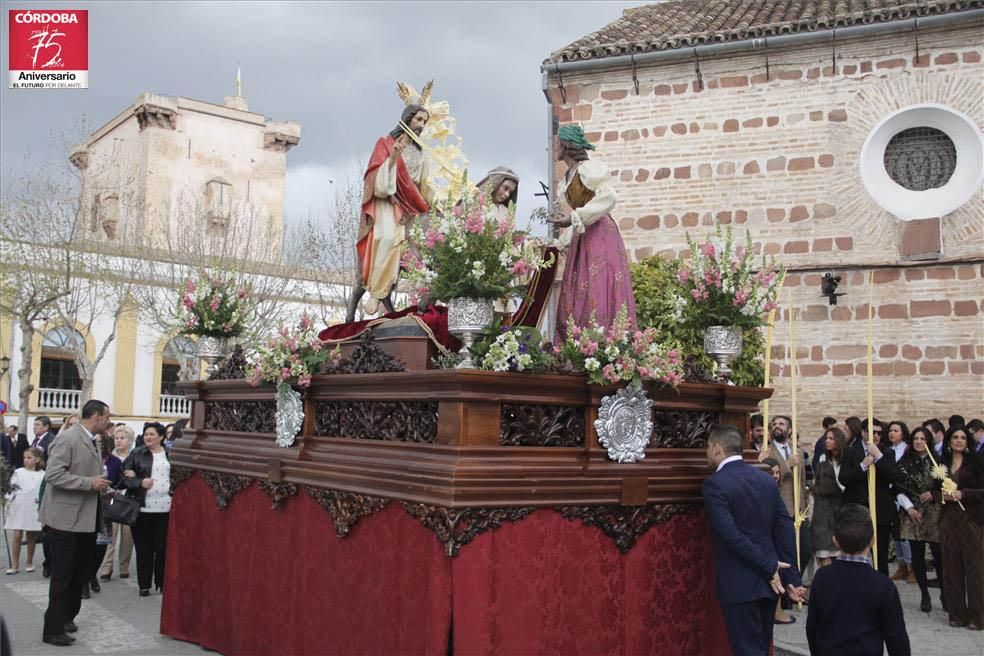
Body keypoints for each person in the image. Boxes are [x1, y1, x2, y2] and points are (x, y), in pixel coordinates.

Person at [702, 424, 804, 655]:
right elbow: (784, 527)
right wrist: (791, 575)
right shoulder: (766, 479)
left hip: (742, 582)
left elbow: (731, 535)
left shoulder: (715, 484)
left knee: (747, 650)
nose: (706, 451)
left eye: (708, 446)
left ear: (718, 448)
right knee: (760, 646)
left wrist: (769, 566)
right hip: (771, 581)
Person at [548, 124, 637, 342]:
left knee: (598, 285)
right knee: (578, 288)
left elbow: (609, 197)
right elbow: (578, 219)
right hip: (583, 234)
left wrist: (573, 218)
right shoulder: (567, 178)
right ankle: (579, 348)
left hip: (600, 234)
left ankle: (604, 345)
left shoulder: (588, 169)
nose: (554, 147)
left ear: (567, 145)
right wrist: (561, 241)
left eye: (558, 142)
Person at [346, 103, 433, 322]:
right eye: (418, 119)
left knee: (426, 249)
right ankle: (376, 293)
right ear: (408, 118)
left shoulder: (422, 154)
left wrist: (431, 202)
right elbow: (376, 181)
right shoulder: (385, 143)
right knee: (387, 238)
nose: (421, 125)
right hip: (387, 202)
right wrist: (394, 157)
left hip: (411, 208)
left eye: (424, 121)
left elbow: (423, 184)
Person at [39, 399, 113, 647]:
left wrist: (101, 487)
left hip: (86, 519)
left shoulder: (94, 439)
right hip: (65, 520)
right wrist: (89, 483)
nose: (109, 421)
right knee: (63, 575)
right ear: (95, 417)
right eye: (106, 417)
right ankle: (52, 629)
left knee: (79, 573)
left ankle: (67, 617)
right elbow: (54, 475)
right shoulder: (69, 438)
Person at [806, 504, 911, 656]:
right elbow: (896, 637)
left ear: (835, 541)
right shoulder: (883, 585)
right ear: (873, 541)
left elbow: (812, 628)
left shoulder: (822, 577)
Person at [935, 425, 983, 629]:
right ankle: (956, 614)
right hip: (949, 520)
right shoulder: (941, 465)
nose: (959, 440)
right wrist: (942, 497)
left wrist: (964, 494)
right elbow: (932, 492)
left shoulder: (976, 463)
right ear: (949, 440)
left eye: (963, 437)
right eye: (955, 437)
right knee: (951, 567)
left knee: (975, 568)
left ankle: (978, 616)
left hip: (971, 519)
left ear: (967, 441)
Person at [839, 418, 898, 576]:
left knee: (881, 557)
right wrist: (862, 466)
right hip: (857, 510)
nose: (877, 435)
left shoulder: (887, 453)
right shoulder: (851, 452)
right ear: (864, 432)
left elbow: (893, 476)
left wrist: (878, 457)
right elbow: (843, 478)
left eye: (879, 433)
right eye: (873, 432)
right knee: (855, 553)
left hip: (880, 512)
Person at [895, 426, 943, 613]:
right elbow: (896, 488)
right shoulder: (905, 462)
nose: (919, 441)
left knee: (939, 555)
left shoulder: (938, 461)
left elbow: (947, 484)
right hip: (913, 513)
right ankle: (924, 594)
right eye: (916, 438)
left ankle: (945, 593)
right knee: (917, 556)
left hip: (934, 513)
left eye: (923, 438)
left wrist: (934, 494)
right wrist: (909, 507)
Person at [121, 422, 172, 596]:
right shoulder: (136, 454)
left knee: (162, 548)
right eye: (146, 434)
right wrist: (139, 482)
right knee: (144, 549)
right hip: (142, 508)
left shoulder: (170, 454)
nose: (148, 437)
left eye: (151, 434)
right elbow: (122, 477)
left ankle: (161, 582)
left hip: (166, 508)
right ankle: (144, 584)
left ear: (161, 436)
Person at [98, 425, 134, 581]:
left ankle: (124, 566)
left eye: (122, 438)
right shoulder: (110, 459)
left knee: (127, 536)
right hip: (111, 498)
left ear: (130, 440)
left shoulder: (135, 457)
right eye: (117, 438)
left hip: (129, 499)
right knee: (110, 534)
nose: (119, 441)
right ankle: (107, 567)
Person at [4, 447, 45, 574]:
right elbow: (12, 488)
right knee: (17, 535)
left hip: (33, 505)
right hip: (19, 505)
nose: (26, 460)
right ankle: (15, 564)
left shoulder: (43, 474)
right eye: (24, 458)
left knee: (31, 535)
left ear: (37, 460)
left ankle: (29, 562)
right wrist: (6, 500)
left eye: (29, 458)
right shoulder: (18, 472)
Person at [812, 427, 846, 568]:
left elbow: (843, 484)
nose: (827, 441)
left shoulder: (845, 460)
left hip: (840, 508)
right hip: (823, 510)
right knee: (823, 551)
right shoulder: (822, 459)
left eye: (831, 438)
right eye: (826, 438)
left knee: (838, 551)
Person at [886, 421, 913, 583]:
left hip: (903, 495)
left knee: (906, 534)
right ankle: (902, 565)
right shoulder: (889, 450)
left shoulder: (907, 450)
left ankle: (912, 567)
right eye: (890, 430)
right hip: (891, 495)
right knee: (896, 533)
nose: (892, 433)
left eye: (896, 430)